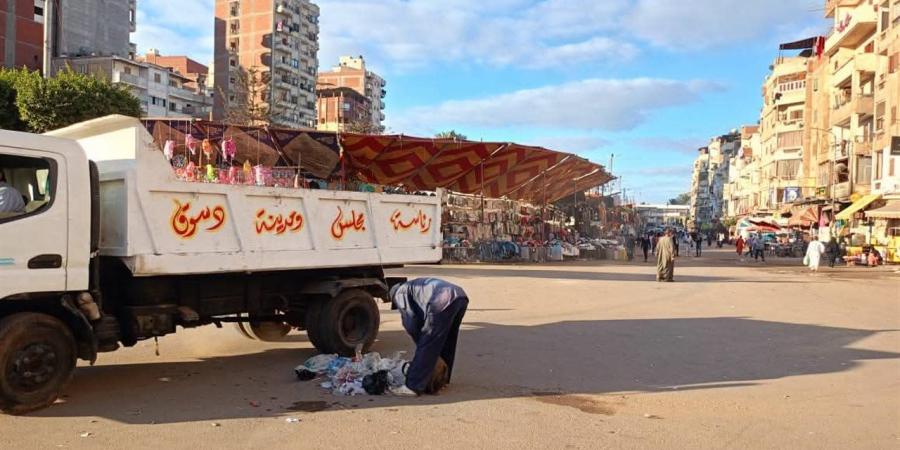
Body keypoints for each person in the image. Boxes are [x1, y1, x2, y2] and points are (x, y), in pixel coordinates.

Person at [389, 278, 469, 396]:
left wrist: (422, 343)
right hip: (460, 297)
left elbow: (411, 322)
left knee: (428, 344)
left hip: (442, 299)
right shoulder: (414, 286)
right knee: (447, 341)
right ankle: (442, 380)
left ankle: (413, 386)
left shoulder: (400, 293)